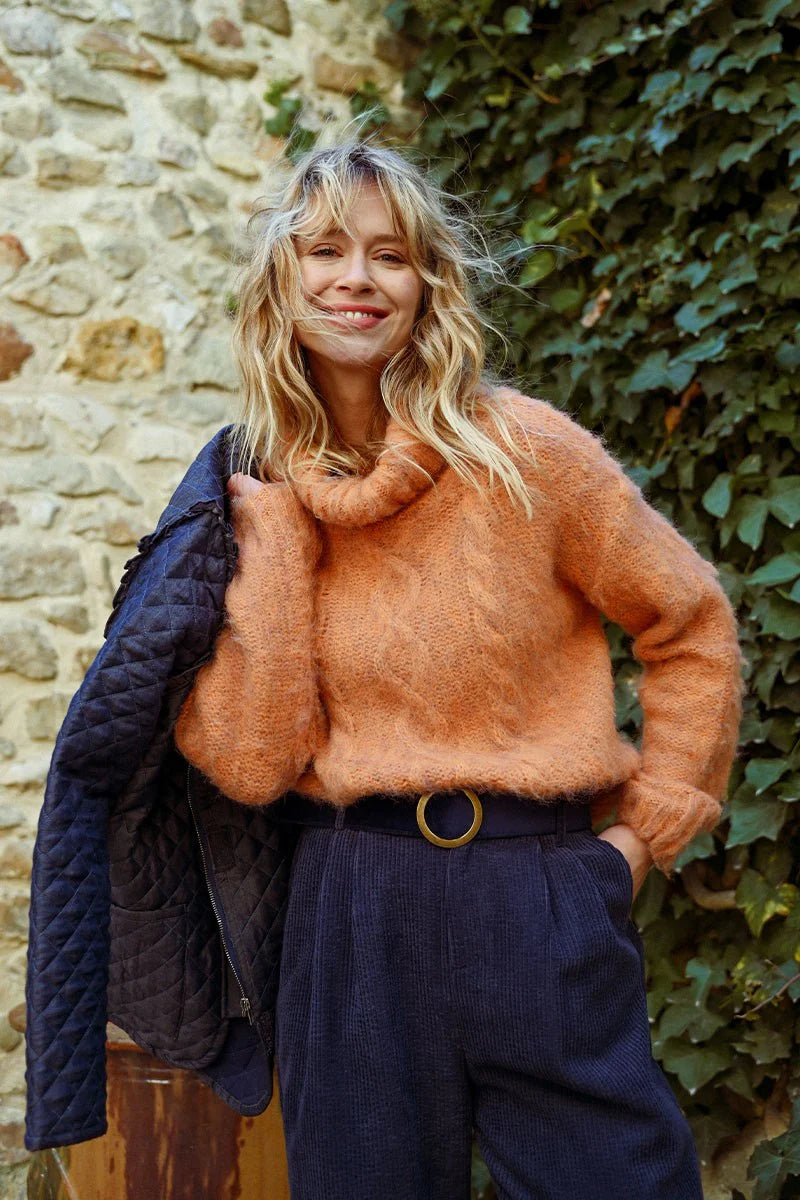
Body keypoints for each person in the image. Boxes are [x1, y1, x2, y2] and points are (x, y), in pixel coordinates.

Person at [173, 136, 743, 1200]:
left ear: (427, 284)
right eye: (325, 251)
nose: (356, 278)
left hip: (540, 893)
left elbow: (688, 621)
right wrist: (280, 553)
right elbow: (253, 763)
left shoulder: (525, 452)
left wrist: (640, 835)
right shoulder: (243, 497)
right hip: (352, 910)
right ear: (280, 281)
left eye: (389, 255)